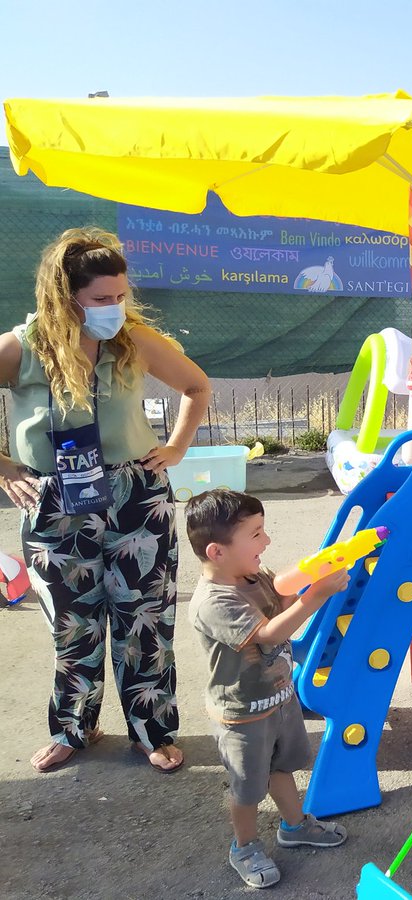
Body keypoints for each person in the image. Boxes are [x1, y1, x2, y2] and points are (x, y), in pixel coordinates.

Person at [0, 227, 210, 774]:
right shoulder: (22, 349)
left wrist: (177, 447)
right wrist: (3, 469)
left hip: (137, 495)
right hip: (55, 500)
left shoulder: (131, 340)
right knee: (74, 628)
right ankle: (75, 728)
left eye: (120, 296)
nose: (114, 308)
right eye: (100, 299)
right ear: (64, 297)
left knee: (145, 622)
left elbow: (196, 386)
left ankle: (151, 729)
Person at [186, 489, 350, 889]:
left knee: (282, 768)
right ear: (217, 551)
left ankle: (294, 826)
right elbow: (268, 634)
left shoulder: (254, 576)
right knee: (247, 788)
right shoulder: (214, 601)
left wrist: (315, 572)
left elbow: (283, 595)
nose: (267, 541)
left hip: (278, 698)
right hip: (242, 714)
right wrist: (318, 595)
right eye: (256, 534)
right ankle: (243, 846)